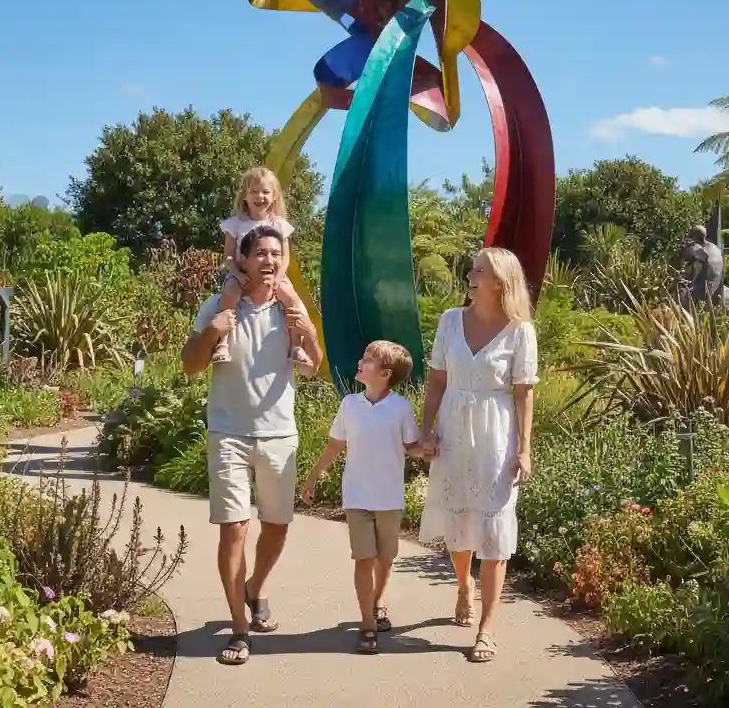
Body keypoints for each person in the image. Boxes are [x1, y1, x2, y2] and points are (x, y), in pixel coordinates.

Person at [181, 224, 322, 666]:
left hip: (279, 433)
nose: (269, 260)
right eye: (260, 252)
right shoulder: (219, 306)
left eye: (275, 253)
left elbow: (314, 368)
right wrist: (212, 331)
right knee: (235, 527)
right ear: (242, 260)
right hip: (228, 433)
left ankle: (255, 588)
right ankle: (239, 631)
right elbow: (189, 366)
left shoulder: (291, 309)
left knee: (277, 527)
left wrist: (309, 335)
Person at [418, 247, 538, 664]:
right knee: (458, 519)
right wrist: (425, 429)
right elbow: (435, 380)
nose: (471, 274)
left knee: (494, 530)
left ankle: (487, 627)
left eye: (479, 270)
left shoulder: (520, 331)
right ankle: (463, 583)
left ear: (500, 282)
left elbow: (524, 394)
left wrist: (524, 449)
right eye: (472, 268)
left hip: (496, 436)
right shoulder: (450, 321)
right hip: (453, 428)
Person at [299, 341, 421, 655]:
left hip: (390, 497)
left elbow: (412, 446)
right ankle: (367, 623)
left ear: (385, 373)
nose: (360, 361)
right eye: (363, 355)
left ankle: (377, 601)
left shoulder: (400, 408)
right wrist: (312, 477)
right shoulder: (349, 405)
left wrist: (433, 451)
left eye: (368, 359)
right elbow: (334, 445)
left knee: (385, 557)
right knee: (363, 558)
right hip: (356, 496)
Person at [213, 166, 312, 369]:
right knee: (229, 293)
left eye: (265, 192)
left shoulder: (279, 224)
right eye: (254, 191)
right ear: (245, 196)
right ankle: (222, 343)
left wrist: (278, 278)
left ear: (274, 196)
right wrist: (237, 275)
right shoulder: (235, 224)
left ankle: (296, 345)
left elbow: (284, 257)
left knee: (292, 298)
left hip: (272, 275)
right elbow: (229, 257)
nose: (260, 196)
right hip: (243, 275)